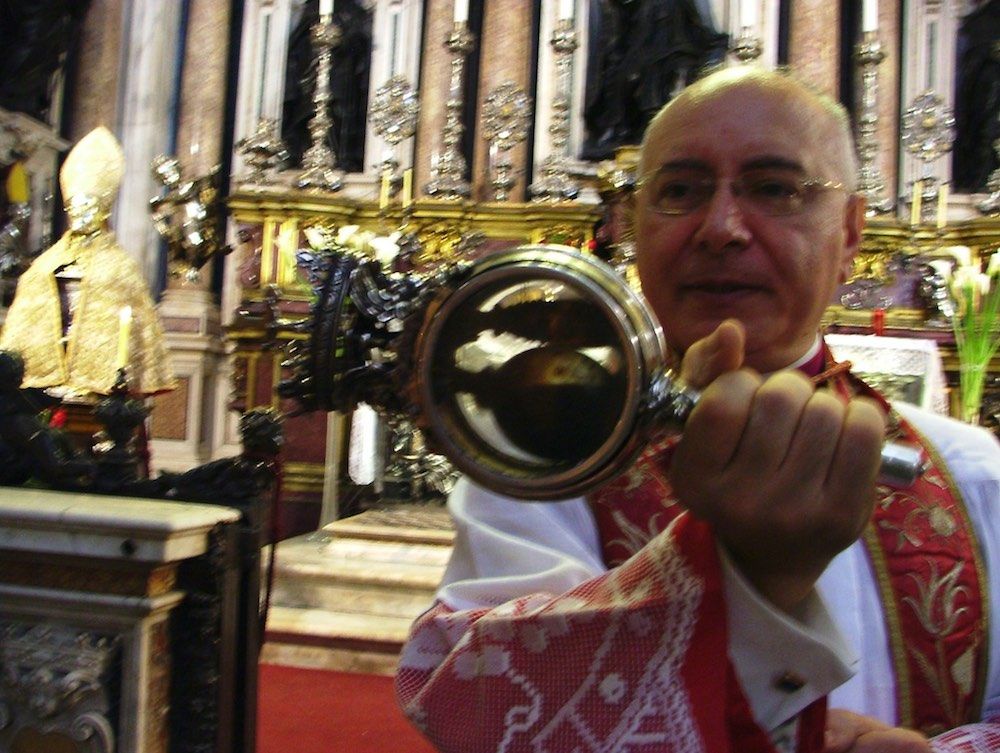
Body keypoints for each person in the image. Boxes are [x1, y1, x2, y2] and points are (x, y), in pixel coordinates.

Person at [395, 66, 1000, 752]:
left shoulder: (971, 475)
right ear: (631, 225)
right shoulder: (546, 464)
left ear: (852, 232)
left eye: (774, 188)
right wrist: (751, 575)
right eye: (679, 191)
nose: (720, 227)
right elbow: (477, 707)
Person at [0, 126, 175, 397]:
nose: (82, 215)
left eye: (89, 207)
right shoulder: (44, 266)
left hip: (101, 392)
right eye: (76, 206)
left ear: (103, 211)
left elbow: (136, 333)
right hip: (40, 393)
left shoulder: (120, 268)